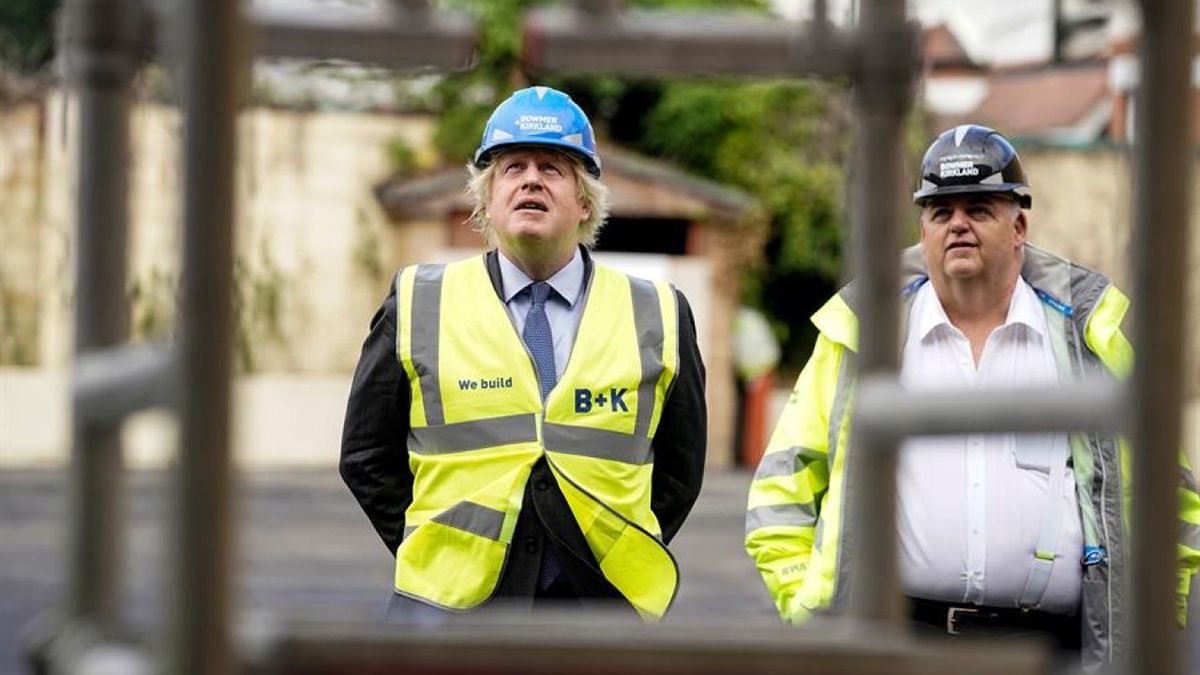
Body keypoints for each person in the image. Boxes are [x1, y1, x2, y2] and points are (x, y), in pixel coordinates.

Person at [744, 124, 1200, 668]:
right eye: (941, 211)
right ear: (923, 228)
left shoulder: (1088, 337)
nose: (957, 223)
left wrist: (1153, 617)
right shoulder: (863, 336)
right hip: (898, 644)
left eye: (979, 208)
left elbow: (1172, 490)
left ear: (1019, 226)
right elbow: (783, 482)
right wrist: (806, 607)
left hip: (1054, 652)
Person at [341, 86, 706, 621]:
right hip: (447, 610)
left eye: (552, 167)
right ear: (487, 199)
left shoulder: (658, 311)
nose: (531, 179)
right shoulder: (419, 300)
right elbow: (366, 455)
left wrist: (608, 549)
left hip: (602, 607)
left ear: (585, 201)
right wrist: (435, 549)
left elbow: (680, 469)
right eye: (512, 168)